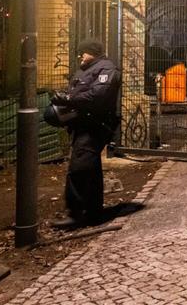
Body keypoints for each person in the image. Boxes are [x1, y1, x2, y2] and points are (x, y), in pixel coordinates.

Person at [49, 38, 121, 229]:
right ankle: (93, 212)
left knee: (79, 168)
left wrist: (69, 99)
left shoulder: (106, 69)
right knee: (91, 168)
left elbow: (98, 96)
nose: (80, 55)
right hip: (83, 125)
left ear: (93, 52)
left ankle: (76, 214)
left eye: (83, 52)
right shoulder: (86, 69)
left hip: (94, 126)